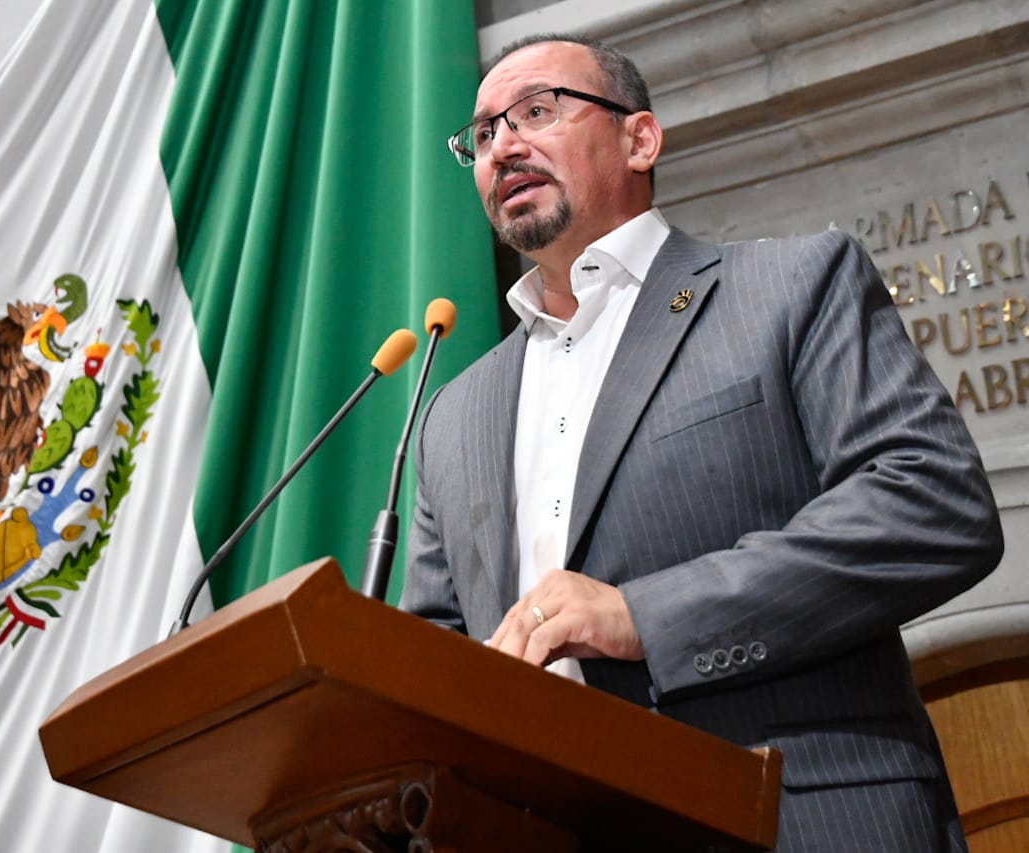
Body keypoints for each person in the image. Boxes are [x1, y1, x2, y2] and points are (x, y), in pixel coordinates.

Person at [401, 33, 1003, 852]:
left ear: (640, 139)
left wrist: (642, 615)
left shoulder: (789, 288)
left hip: (798, 818)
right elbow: (437, 657)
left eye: (537, 111)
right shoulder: (453, 412)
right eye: (482, 134)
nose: (503, 145)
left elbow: (933, 502)